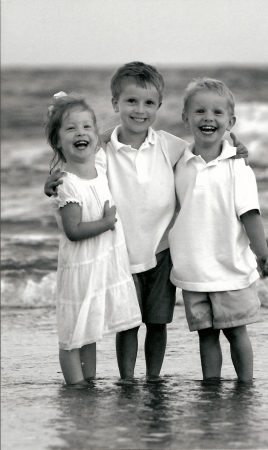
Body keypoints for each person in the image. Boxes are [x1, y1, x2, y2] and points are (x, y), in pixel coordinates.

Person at [44, 62, 249, 384]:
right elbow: (77, 166)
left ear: (158, 107)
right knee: (127, 323)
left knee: (157, 323)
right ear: (116, 104)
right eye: (131, 102)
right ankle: (127, 378)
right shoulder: (103, 148)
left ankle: (152, 376)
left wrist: (234, 148)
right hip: (120, 253)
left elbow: (205, 151)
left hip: (161, 250)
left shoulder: (170, 145)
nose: (140, 110)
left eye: (149, 103)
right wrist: (51, 184)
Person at [168, 78, 268, 382]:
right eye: (200, 111)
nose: (208, 118)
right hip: (193, 269)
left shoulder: (238, 168)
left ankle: (246, 385)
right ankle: (211, 388)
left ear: (230, 122)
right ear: (185, 118)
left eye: (217, 113)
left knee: (236, 332)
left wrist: (263, 253)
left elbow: (251, 214)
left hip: (230, 266)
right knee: (206, 336)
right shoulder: (179, 162)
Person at [45, 92, 141, 387]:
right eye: (71, 128)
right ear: (58, 141)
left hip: (99, 265)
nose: (81, 133)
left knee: (89, 332)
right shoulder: (68, 184)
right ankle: (75, 387)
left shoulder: (98, 168)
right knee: (74, 335)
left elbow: (115, 135)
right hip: (81, 267)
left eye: (87, 127)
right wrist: (106, 222)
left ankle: (89, 382)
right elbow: (73, 231)